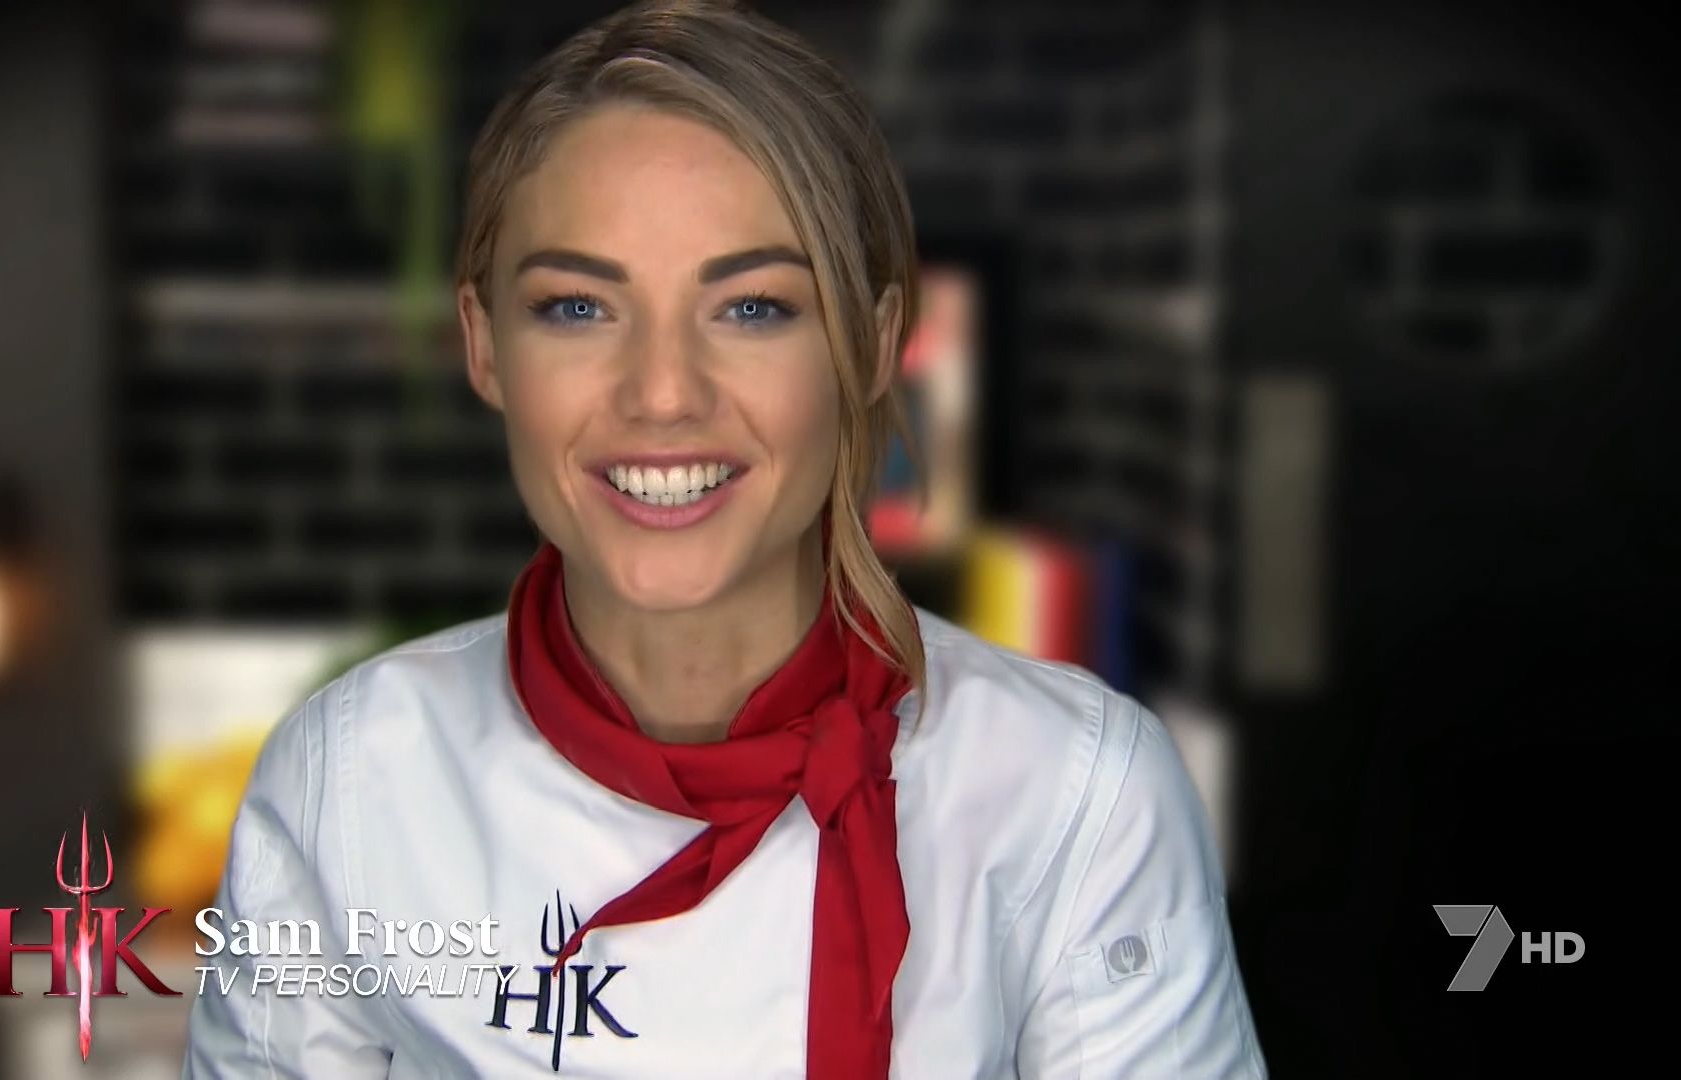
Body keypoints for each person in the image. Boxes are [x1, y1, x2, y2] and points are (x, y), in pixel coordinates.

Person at [182, 1, 1267, 1076]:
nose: (663, 394)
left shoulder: (1079, 797)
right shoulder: (346, 781)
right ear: (484, 345)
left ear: (872, 346)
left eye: (752, 308)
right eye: (577, 307)